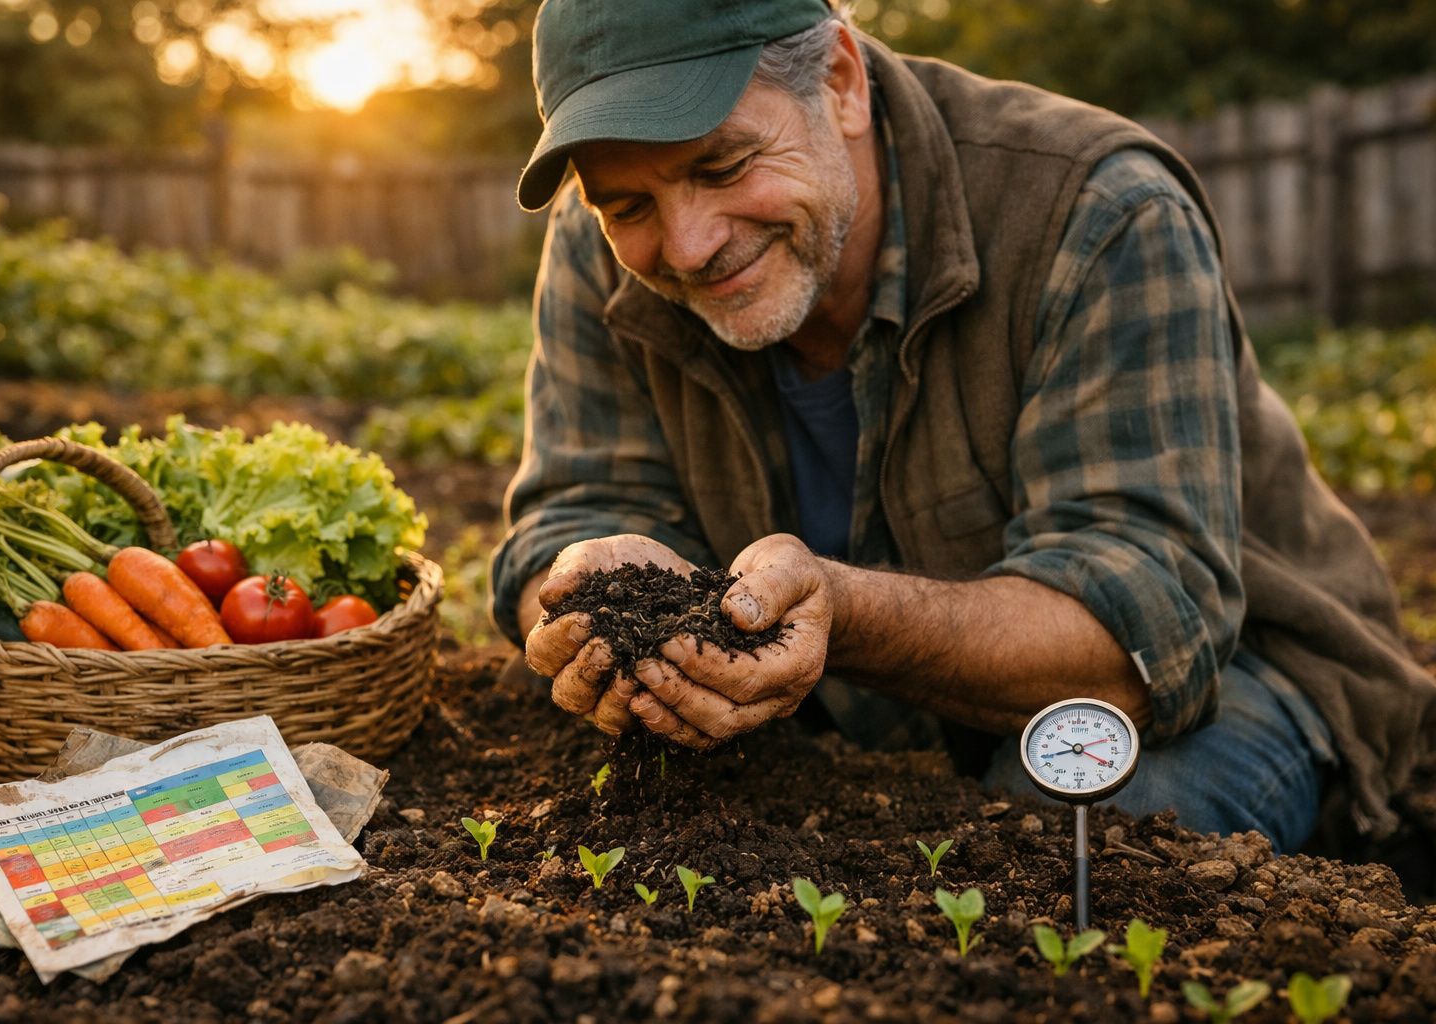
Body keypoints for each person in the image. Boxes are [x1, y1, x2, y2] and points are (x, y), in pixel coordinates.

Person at [488, 0, 1436, 856]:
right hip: (858, 708)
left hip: (1231, 672)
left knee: (1072, 839)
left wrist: (842, 613)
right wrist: (588, 590)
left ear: (842, 83)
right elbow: (570, 512)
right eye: (631, 205)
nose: (688, 243)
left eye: (724, 164)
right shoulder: (601, 246)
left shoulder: (1099, 209)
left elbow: (1139, 635)